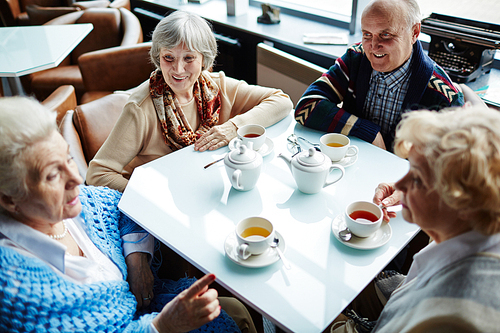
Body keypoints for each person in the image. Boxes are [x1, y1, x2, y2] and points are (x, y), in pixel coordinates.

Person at [0, 96, 257, 332]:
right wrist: (161, 326)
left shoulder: (79, 205)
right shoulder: (14, 287)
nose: (77, 178)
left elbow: (125, 207)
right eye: (52, 175)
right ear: (9, 199)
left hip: (150, 306)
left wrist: (136, 260)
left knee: (238, 311)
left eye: (68, 159)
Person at [331, 105, 500, 332]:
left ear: (460, 201)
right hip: (402, 292)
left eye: (418, 178)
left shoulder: (453, 319)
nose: (399, 185)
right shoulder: (479, 218)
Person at [86, 10, 293, 192]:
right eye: (169, 57)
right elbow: (97, 174)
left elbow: (282, 101)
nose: (178, 70)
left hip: (204, 185)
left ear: (204, 59)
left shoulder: (216, 85)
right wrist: (149, 195)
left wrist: (233, 127)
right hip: (162, 197)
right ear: (158, 57)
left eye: (188, 58)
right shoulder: (140, 107)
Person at [295, 0, 464, 151]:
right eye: (367, 34)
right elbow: (306, 107)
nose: (373, 46)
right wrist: (366, 131)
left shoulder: (443, 95)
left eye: (386, 35)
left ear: (414, 32)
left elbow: (454, 164)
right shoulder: (356, 58)